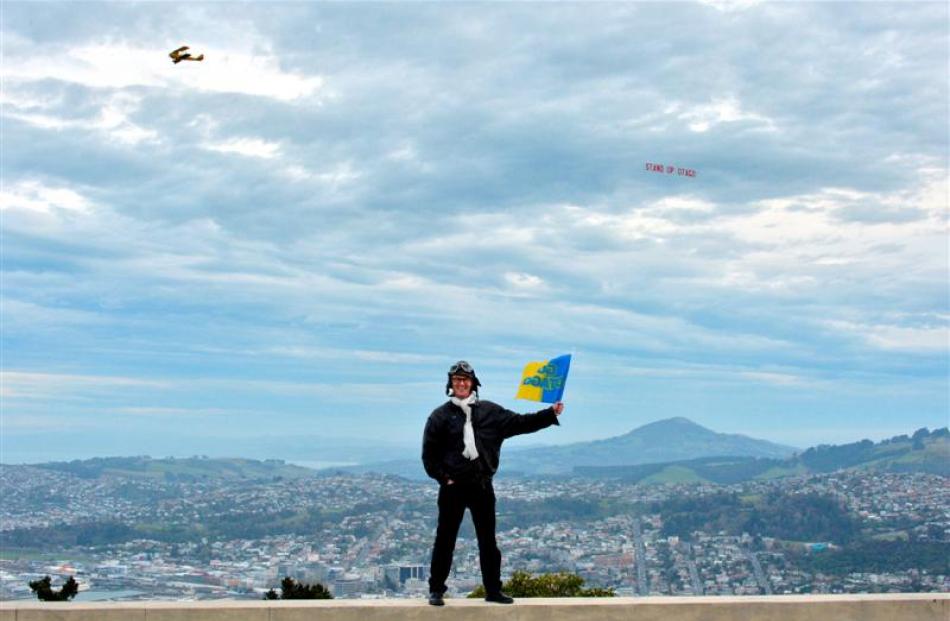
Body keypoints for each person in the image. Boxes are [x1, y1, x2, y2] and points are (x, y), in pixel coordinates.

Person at [422, 360, 564, 606]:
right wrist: (445, 478)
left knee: (488, 541)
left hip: (482, 486)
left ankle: (493, 590)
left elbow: (521, 423)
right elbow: (429, 455)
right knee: (445, 540)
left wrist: (550, 413)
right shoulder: (439, 417)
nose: (461, 384)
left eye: (465, 380)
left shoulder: (490, 412)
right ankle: (436, 590)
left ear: (473, 383)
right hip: (452, 488)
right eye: (457, 380)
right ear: (450, 384)